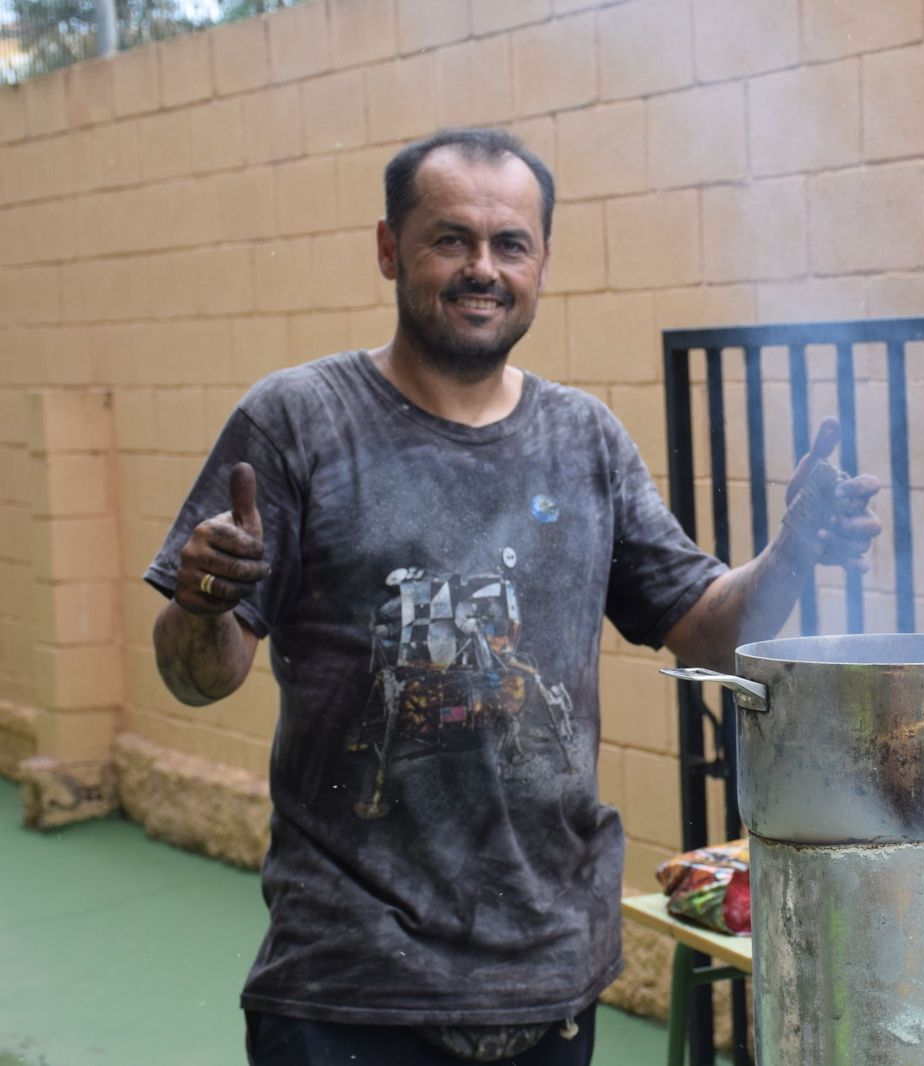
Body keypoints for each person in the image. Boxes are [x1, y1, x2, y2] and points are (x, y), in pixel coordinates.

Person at [146, 127, 880, 1066]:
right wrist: (203, 605)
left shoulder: (585, 440)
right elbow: (196, 679)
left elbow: (704, 633)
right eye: (450, 239)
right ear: (389, 249)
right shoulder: (299, 423)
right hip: (350, 985)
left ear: (540, 263)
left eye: (510, 245)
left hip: (549, 973)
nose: (481, 269)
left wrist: (793, 553)